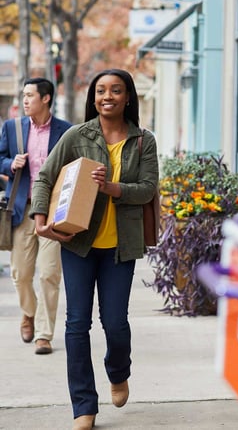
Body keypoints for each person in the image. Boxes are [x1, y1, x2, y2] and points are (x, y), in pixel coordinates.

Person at [30, 69, 159, 430]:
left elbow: (148, 188)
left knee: (115, 323)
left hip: (120, 246)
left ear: (128, 96)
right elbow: (45, 177)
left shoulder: (142, 141)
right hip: (79, 244)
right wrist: (41, 219)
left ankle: (118, 372)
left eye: (116, 90)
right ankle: (83, 405)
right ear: (93, 97)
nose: (108, 96)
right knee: (76, 324)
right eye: (101, 90)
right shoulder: (76, 136)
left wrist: (113, 188)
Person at [0, 77, 72, 355]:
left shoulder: (66, 131)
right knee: (20, 273)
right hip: (22, 208)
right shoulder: (12, 128)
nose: (25, 100)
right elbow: (0, 157)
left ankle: (44, 333)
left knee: (50, 273)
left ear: (46, 98)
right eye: (23, 95)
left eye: (30, 95)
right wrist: (9, 162)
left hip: (54, 211)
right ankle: (28, 312)